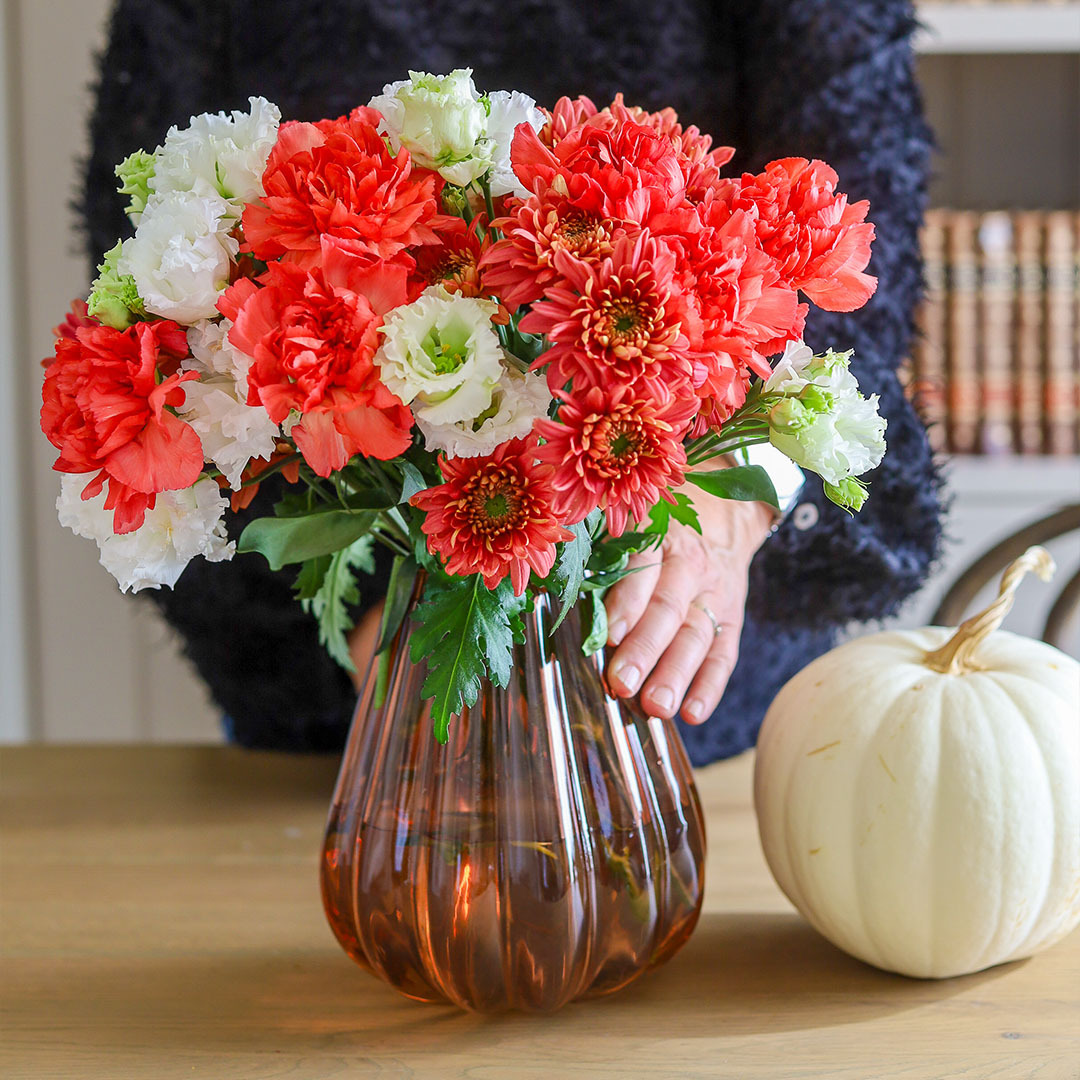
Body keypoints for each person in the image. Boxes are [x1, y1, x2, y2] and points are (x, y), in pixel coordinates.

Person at [79, 0, 944, 765]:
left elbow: (857, 211)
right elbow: (151, 261)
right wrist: (381, 599)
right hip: (351, 701)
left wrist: (732, 495)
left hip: (692, 678)